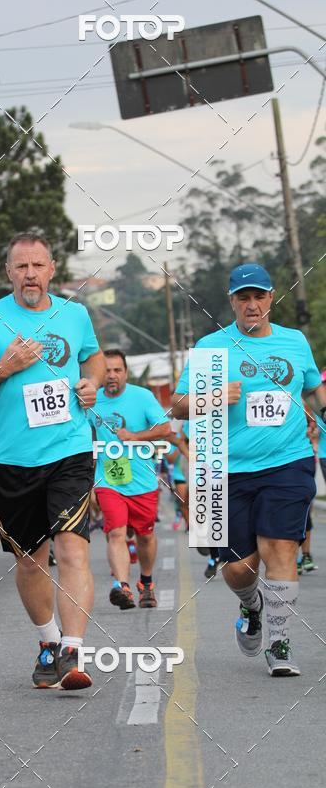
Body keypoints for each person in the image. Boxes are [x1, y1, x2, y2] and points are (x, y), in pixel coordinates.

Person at [0, 232, 106, 690]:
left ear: (52, 269)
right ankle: (48, 643)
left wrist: (91, 383)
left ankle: (74, 652)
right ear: (8, 273)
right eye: (21, 267)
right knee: (29, 561)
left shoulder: (74, 314)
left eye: (38, 265)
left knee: (72, 546)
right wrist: (7, 367)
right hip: (14, 459)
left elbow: (94, 359)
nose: (30, 274)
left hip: (70, 451)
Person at [171, 263, 326, 676]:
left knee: (281, 548)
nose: (252, 305)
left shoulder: (295, 342)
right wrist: (214, 395)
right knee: (239, 567)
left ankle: (280, 641)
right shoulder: (210, 348)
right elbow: (178, 405)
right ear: (232, 302)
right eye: (244, 298)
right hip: (224, 467)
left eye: (259, 296)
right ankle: (251, 605)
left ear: (271, 297)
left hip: (288, 462)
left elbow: (313, 386)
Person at [92, 350, 172, 609]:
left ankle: (146, 583)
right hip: (108, 480)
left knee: (145, 536)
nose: (112, 375)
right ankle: (122, 587)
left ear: (126, 372)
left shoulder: (142, 397)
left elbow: (165, 428)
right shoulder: (90, 402)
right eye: (107, 370)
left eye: (117, 370)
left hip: (142, 481)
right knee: (115, 532)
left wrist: (136, 437)